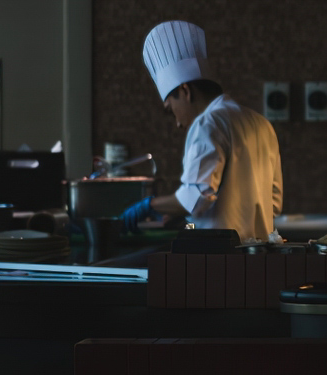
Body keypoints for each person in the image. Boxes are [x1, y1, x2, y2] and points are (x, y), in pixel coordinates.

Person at [119, 21, 284, 243]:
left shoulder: (208, 123)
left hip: (220, 260)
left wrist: (150, 205)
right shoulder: (261, 123)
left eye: (171, 109)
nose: (177, 123)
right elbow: (273, 203)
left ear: (185, 91)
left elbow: (195, 198)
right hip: (260, 257)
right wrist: (187, 217)